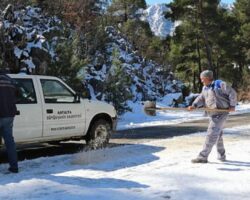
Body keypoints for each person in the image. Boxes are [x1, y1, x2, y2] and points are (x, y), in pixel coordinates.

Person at [188, 70, 237, 163]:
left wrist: (232, 105)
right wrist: (194, 105)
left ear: (207, 78)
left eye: (202, 79)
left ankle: (203, 157)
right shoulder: (205, 88)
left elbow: (232, 93)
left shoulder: (219, 84)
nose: (201, 81)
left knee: (211, 134)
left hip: (221, 113)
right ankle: (222, 156)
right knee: (217, 135)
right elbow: (201, 98)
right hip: (212, 113)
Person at [0, 68, 19, 173]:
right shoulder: (10, 80)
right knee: (10, 142)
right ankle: (14, 167)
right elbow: (18, 95)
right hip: (9, 115)